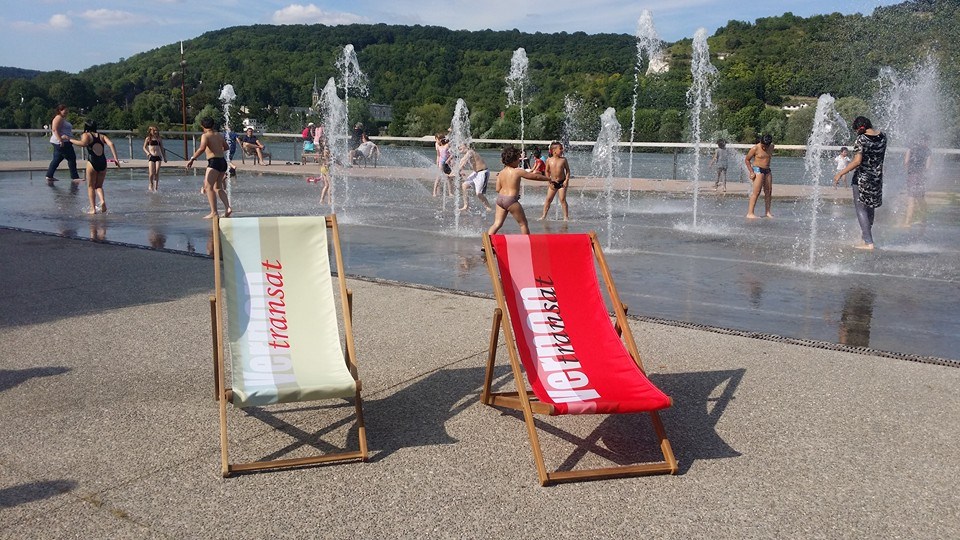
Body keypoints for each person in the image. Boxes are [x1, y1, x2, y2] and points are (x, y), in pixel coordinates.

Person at [834, 116, 886, 250]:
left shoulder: (861, 139)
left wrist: (841, 173)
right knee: (871, 207)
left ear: (859, 128)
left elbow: (857, 161)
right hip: (877, 178)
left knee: (861, 209)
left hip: (862, 178)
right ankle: (865, 238)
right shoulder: (883, 136)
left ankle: (869, 242)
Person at [488, 146, 551, 235]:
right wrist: (549, 179)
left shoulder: (501, 173)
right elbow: (535, 176)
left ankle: (485, 244)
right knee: (523, 224)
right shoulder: (517, 171)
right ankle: (527, 244)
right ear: (513, 160)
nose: (519, 161)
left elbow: (497, 189)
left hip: (500, 199)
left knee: (497, 224)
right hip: (510, 200)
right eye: (518, 159)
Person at [69, 122, 119, 215]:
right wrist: (115, 158)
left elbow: (83, 143)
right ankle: (102, 201)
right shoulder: (102, 136)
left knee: (91, 186)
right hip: (103, 162)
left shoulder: (86, 135)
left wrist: (70, 140)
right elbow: (111, 143)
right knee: (99, 186)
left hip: (92, 162)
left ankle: (93, 209)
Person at [187, 117, 232, 219]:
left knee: (208, 187)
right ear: (212, 125)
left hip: (214, 163)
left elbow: (202, 148)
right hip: (222, 162)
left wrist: (192, 158)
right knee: (218, 187)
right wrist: (217, 148)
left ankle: (214, 212)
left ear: (202, 126)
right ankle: (228, 207)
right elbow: (227, 147)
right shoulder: (218, 135)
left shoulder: (205, 136)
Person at [45, 104, 81, 184]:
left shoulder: (62, 118)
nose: (66, 112)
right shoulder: (58, 118)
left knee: (57, 159)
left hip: (63, 141)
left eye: (67, 110)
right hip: (62, 142)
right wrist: (60, 140)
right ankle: (75, 177)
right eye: (64, 111)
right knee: (71, 158)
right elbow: (55, 129)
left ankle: (49, 175)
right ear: (59, 111)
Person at [901, 134, 931, 227]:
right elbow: (928, 166)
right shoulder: (927, 151)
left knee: (911, 199)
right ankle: (923, 219)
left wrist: (909, 171)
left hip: (912, 176)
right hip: (921, 177)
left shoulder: (911, 148)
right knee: (921, 199)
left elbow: (906, 162)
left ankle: (908, 222)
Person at [538, 141, 571, 221]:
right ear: (554, 151)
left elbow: (568, 170)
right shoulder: (549, 160)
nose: (562, 150)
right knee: (548, 199)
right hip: (552, 182)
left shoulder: (563, 160)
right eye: (560, 149)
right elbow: (546, 171)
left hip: (562, 182)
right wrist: (549, 181)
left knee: (562, 199)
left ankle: (565, 217)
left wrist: (566, 180)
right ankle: (544, 215)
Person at [744, 134, 775, 218]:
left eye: (766, 146)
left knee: (768, 191)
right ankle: (750, 213)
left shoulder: (772, 147)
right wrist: (751, 172)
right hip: (758, 170)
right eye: (763, 146)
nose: (764, 148)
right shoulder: (755, 148)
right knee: (756, 192)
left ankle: (767, 212)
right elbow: (747, 160)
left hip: (767, 170)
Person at [457, 143, 492, 212]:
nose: (459, 147)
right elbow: (462, 163)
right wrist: (458, 171)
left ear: (466, 146)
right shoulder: (467, 154)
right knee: (464, 185)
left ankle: (488, 207)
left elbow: (463, 161)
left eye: (461, 146)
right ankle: (466, 206)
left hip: (483, 172)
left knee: (478, 193)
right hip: (475, 173)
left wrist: (457, 171)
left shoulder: (470, 152)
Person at [142, 126, 167, 192]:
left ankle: (156, 187)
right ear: (150, 131)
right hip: (151, 157)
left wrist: (164, 157)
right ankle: (151, 183)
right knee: (151, 173)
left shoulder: (159, 139)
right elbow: (144, 147)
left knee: (157, 172)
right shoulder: (148, 139)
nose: (155, 132)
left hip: (158, 157)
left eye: (156, 130)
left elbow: (162, 148)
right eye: (154, 131)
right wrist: (147, 153)